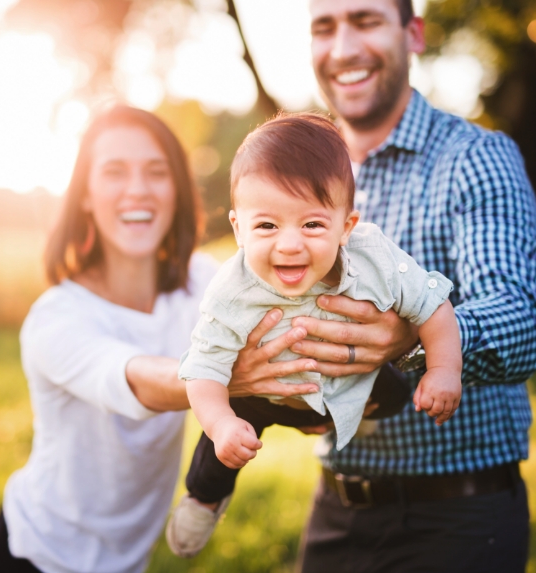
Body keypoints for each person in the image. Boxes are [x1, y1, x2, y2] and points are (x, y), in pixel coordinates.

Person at [0, 105, 321, 573]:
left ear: (177, 190)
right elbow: (136, 379)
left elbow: (284, 324)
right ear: (85, 195)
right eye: (115, 171)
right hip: (37, 555)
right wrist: (221, 376)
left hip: (129, 561)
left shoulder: (206, 284)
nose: (137, 189)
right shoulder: (56, 317)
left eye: (156, 172)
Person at [294, 1, 536, 572]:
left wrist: (415, 340)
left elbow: (521, 319)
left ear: (414, 34)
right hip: (336, 508)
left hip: (459, 518)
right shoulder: (304, 179)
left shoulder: (475, 157)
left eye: (366, 20)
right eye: (324, 28)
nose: (344, 47)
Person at [165, 112, 462, 558]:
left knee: (400, 394)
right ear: (238, 227)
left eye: (312, 225)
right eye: (266, 225)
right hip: (264, 394)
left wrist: (443, 369)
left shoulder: (374, 258)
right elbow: (202, 369)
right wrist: (222, 422)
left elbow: (432, 306)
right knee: (218, 446)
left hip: (349, 378)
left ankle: (342, 415)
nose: (289, 244)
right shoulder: (231, 289)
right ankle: (204, 498)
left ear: (346, 226)